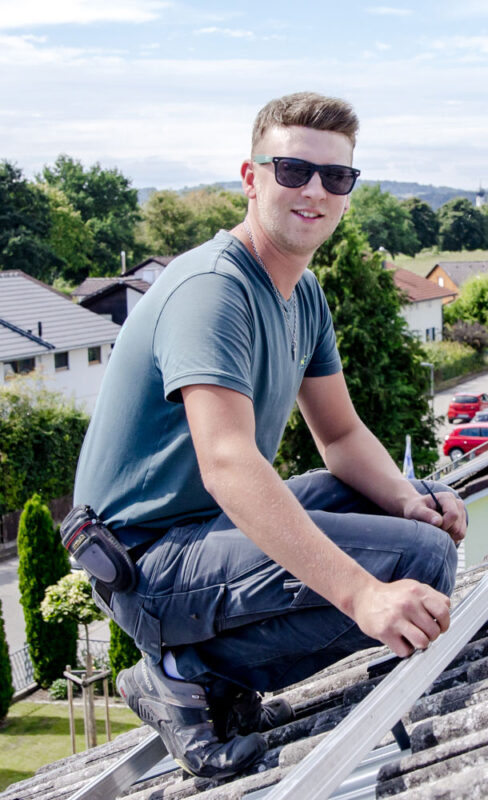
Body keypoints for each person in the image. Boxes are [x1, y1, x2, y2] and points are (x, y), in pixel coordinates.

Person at [72, 91, 466, 779]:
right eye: (292, 171)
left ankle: (204, 669)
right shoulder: (213, 290)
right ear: (251, 179)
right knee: (419, 565)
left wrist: (408, 500)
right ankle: (184, 671)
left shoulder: (301, 292)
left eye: (335, 177)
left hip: (206, 536)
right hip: (149, 562)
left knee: (416, 509)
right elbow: (228, 463)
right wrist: (361, 594)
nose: (314, 190)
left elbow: (340, 436)